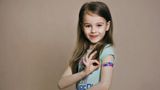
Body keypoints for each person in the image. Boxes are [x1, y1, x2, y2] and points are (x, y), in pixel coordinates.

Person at [58, 1, 115, 90]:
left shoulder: (106, 50)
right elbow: (61, 84)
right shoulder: (81, 52)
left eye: (99, 25)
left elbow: (104, 85)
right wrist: (84, 72)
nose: (93, 30)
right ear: (82, 27)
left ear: (107, 26)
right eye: (88, 26)